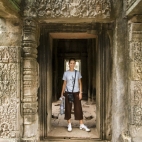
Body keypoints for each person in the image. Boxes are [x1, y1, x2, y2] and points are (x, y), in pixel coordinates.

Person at [61, 58, 90, 132]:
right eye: (71, 63)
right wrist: (62, 93)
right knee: (68, 108)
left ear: (75, 64)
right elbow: (64, 83)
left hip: (76, 92)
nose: (72, 64)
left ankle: (81, 124)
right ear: (68, 64)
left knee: (78, 108)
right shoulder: (66, 73)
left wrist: (80, 92)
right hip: (68, 92)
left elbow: (80, 83)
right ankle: (69, 124)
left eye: (73, 63)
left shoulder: (78, 73)